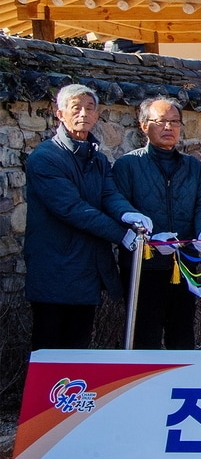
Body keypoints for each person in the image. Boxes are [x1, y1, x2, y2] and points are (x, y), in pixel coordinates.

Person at [24, 83, 147, 350]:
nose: (83, 114)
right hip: (55, 265)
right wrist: (120, 234)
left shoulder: (97, 158)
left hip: (87, 267)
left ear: (96, 114)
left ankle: (73, 394)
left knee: (79, 345)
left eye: (89, 108)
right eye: (75, 108)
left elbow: (108, 195)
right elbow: (72, 208)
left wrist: (129, 215)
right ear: (60, 114)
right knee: (50, 346)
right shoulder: (46, 157)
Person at [112, 98, 201, 350]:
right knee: (144, 335)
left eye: (174, 122)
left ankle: (181, 387)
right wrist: (151, 239)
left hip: (183, 263)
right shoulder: (128, 165)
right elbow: (118, 209)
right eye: (161, 122)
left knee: (182, 333)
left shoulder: (192, 166)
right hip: (143, 266)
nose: (168, 127)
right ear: (143, 125)